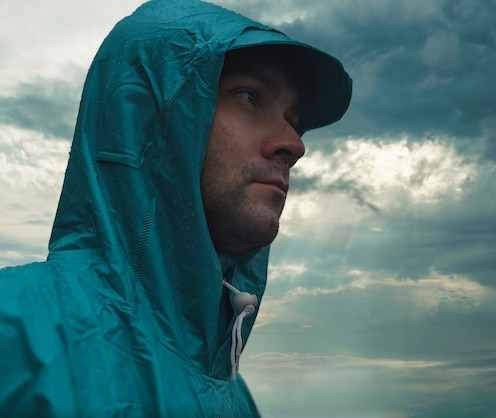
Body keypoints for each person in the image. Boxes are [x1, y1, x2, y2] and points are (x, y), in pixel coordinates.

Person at [0, 0, 352, 416]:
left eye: (292, 118)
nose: (295, 145)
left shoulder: (234, 399)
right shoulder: (17, 334)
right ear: (138, 119)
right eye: (250, 96)